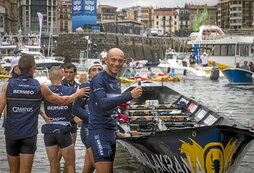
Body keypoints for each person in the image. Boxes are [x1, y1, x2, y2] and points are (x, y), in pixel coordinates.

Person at [0, 55, 87, 173]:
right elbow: (63, 101)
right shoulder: (39, 87)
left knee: (13, 170)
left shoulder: (7, 86)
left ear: (18, 68)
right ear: (33, 69)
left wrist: (42, 114)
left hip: (11, 134)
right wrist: (77, 93)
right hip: (28, 135)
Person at [88, 48, 142, 173]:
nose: (116, 63)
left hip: (111, 131)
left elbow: (113, 107)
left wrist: (117, 130)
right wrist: (130, 95)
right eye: (113, 60)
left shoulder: (117, 80)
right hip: (99, 131)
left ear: (124, 62)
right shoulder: (98, 79)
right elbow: (102, 104)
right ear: (106, 60)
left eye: (120, 61)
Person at [42, 66, 88, 173]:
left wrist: (43, 115)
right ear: (62, 75)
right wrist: (84, 82)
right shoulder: (71, 90)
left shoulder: (45, 91)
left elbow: (33, 104)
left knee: (53, 166)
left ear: (49, 77)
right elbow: (83, 94)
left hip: (49, 131)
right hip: (64, 131)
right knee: (70, 165)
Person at [73, 61, 103, 173]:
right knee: (100, 165)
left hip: (102, 129)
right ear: (89, 73)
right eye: (94, 69)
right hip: (88, 129)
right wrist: (91, 119)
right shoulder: (86, 86)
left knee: (89, 167)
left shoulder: (105, 87)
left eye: (100, 69)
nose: (97, 72)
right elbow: (76, 109)